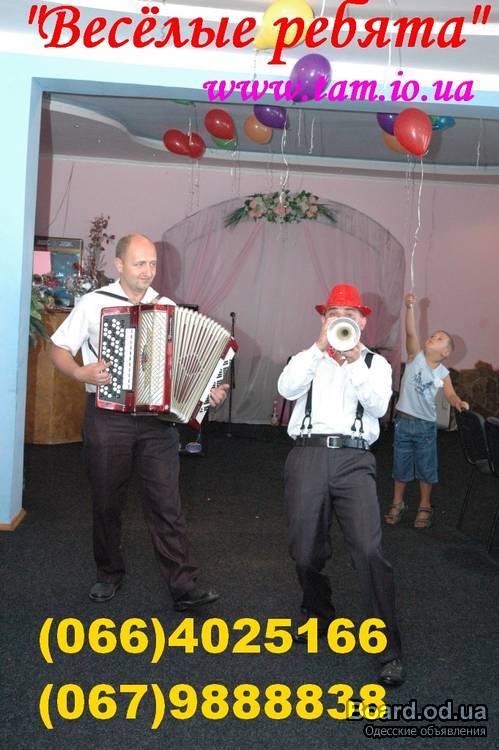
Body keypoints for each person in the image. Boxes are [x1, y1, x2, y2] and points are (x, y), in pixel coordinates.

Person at [50, 234, 228, 609]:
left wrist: (210, 389)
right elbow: (59, 348)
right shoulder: (94, 303)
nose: (148, 271)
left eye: (152, 264)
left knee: (167, 504)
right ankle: (108, 573)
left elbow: (187, 362)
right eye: (139, 263)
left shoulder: (167, 307)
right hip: (107, 416)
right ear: (119, 265)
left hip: (157, 421)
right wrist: (80, 373)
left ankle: (183, 585)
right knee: (106, 500)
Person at [278, 283, 404, 688]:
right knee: (303, 551)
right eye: (334, 314)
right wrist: (320, 348)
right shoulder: (307, 358)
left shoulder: (376, 364)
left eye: (350, 315)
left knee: (368, 550)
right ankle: (318, 613)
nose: (342, 321)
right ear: (324, 319)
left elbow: (379, 407)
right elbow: (286, 389)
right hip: (308, 455)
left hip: (354, 459)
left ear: (363, 322)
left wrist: (352, 361)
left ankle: (388, 648)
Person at [385, 292, 469, 529]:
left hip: (425, 427)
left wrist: (457, 401)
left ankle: (424, 504)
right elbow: (411, 333)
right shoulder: (415, 357)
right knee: (400, 465)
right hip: (403, 423)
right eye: (433, 335)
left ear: (445, 353)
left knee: (426, 467)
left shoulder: (443, 372)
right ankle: (398, 502)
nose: (433, 337)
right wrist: (410, 307)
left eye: (439, 338)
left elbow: (450, 393)